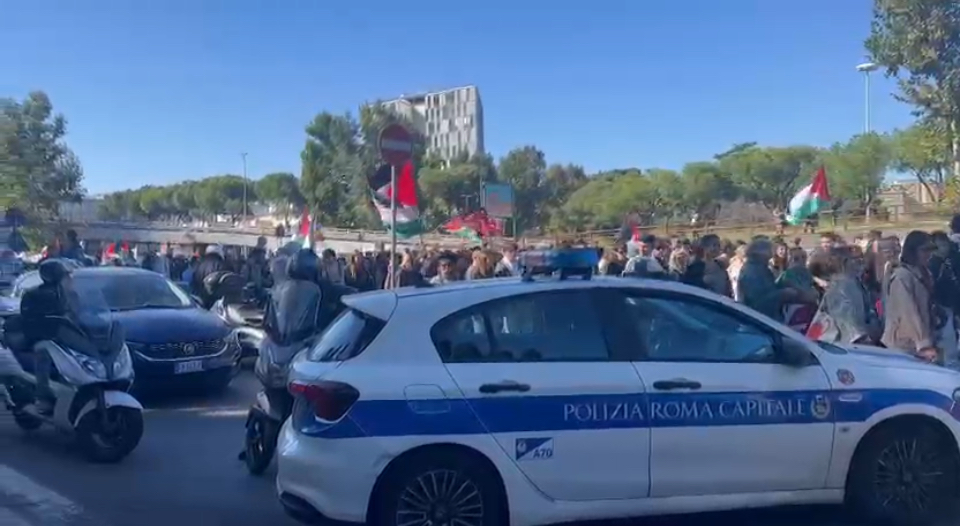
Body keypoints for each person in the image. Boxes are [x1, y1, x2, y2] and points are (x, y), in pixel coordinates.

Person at [19, 259, 76, 414]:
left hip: (64, 337)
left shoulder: (68, 294)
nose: (69, 279)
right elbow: (28, 318)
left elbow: (81, 313)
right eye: (65, 276)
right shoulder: (36, 295)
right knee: (43, 354)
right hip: (43, 338)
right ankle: (43, 398)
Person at [882, 231, 939, 363]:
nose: (928, 255)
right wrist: (923, 344)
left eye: (930, 250)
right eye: (924, 250)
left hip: (922, 340)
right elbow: (907, 312)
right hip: (904, 344)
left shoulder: (924, 273)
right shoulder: (902, 276)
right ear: (912, 251)